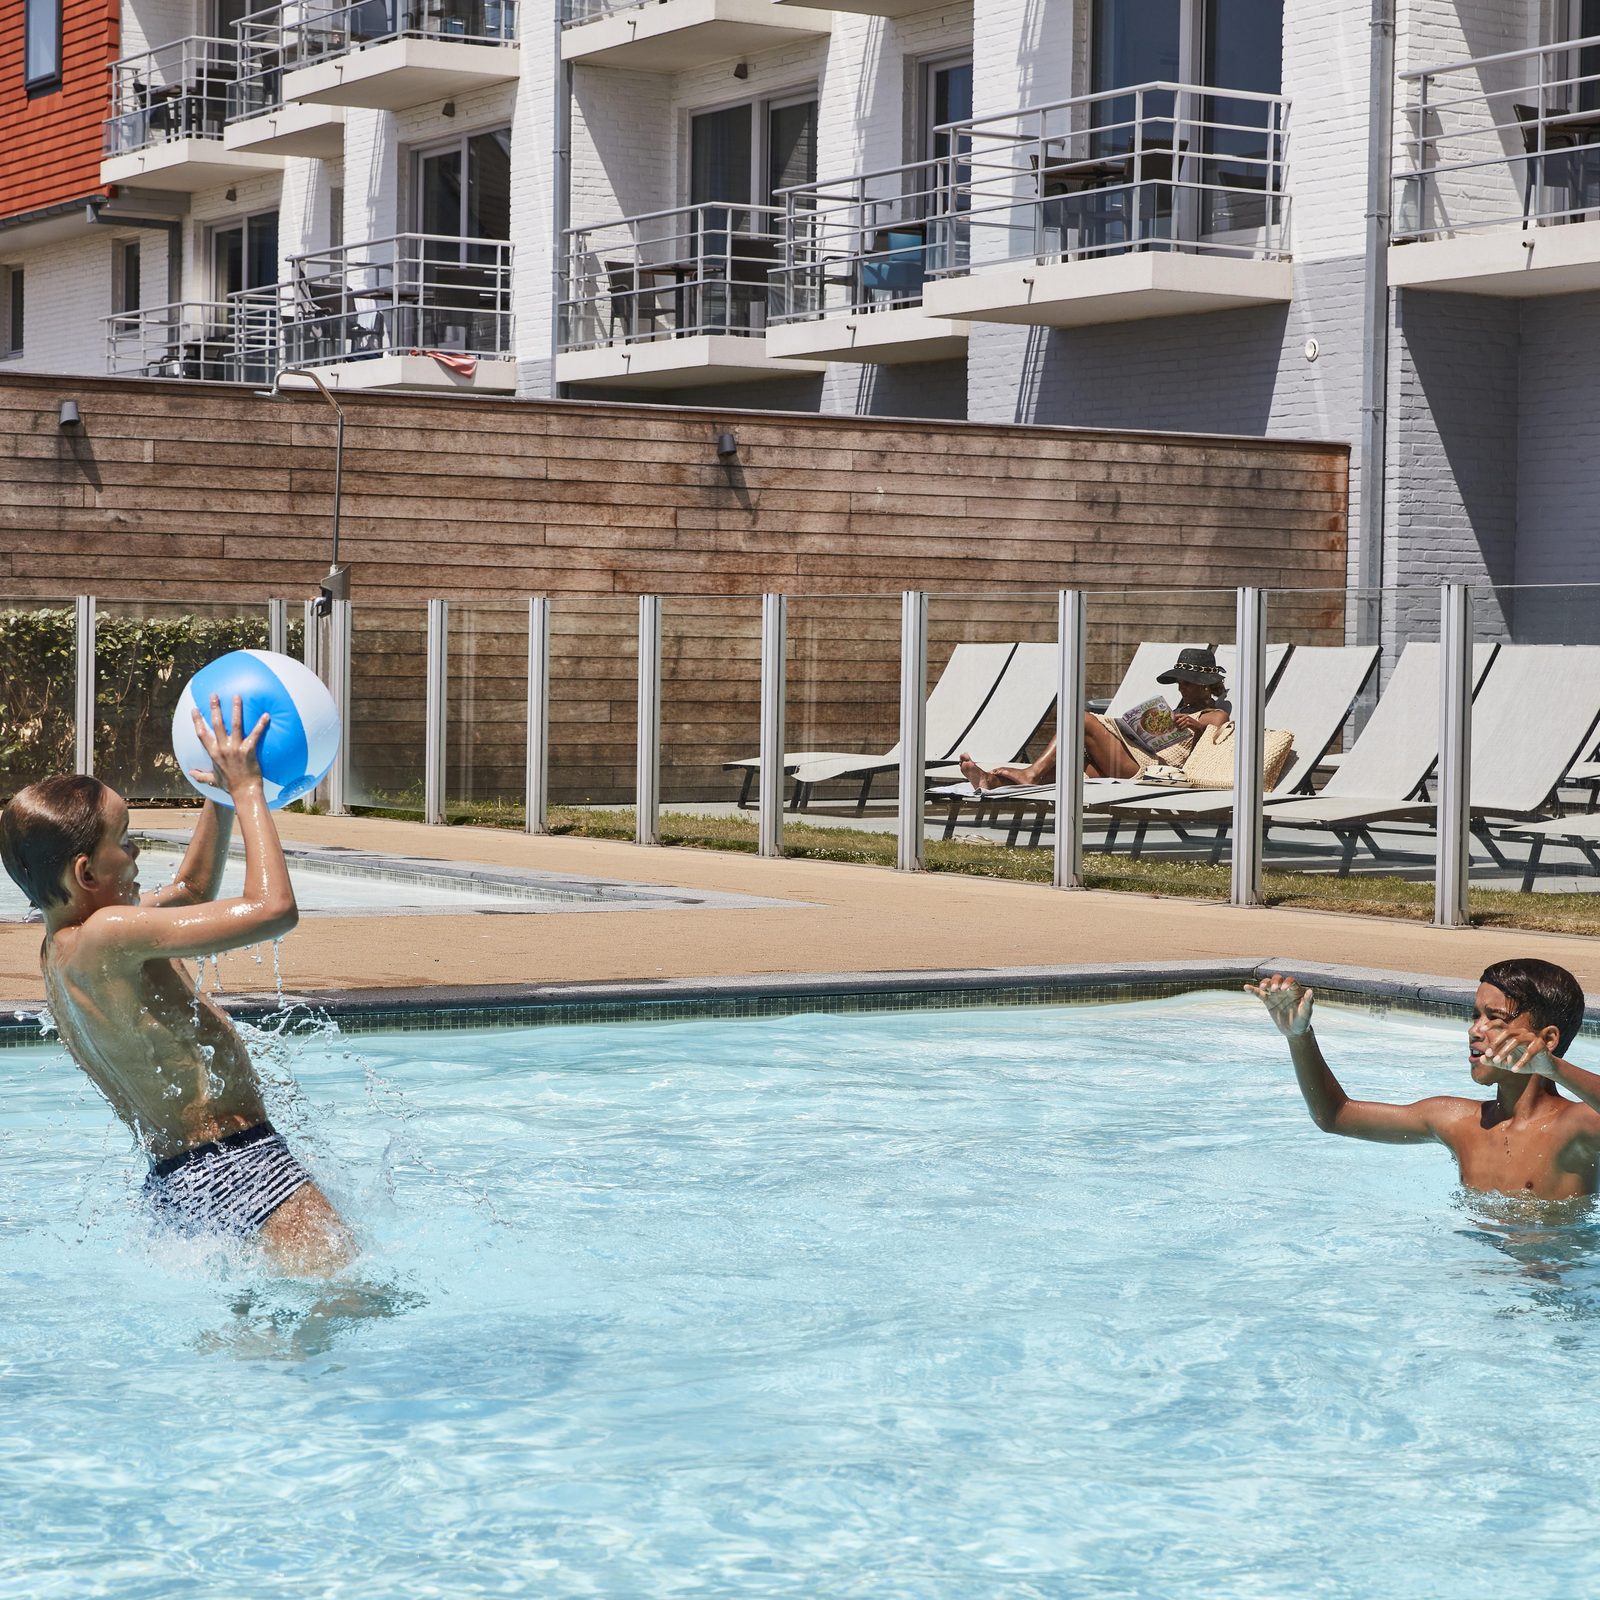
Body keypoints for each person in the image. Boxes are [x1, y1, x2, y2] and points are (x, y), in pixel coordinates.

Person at [0, 693, 355, 1276]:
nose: (138, 852)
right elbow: (273, 909)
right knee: (351, 1301)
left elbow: (191, 892)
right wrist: (246, 792)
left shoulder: (65, 948)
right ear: (87, 872)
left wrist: (214, 796)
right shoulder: (110, 933)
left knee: (265, 1334)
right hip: (239, 1164)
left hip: (179, 1181)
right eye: (126, 840)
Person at [1248, 959, 1600, 1200]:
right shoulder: (1458, 1122)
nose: (1474, 1031)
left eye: (1494, 1019)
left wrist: (1552, 1068)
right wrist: (1299, 1036)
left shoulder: (1575, 1127)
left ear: (1548, 1038)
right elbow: (1335, 1116)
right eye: (1474, 1015)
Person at [958, 645, 1231, 792]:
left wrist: (1196, 727)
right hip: (1137, 758)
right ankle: (989, 781)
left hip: (1153, 773)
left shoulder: (1215, 714)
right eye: (1179, 683)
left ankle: (1030, 772)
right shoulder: (1178, 707)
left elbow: (1213, 743)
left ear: (1206, 685)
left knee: (1082, 719)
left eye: (1188, 683)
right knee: (1067, 772)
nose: (1181, 688)